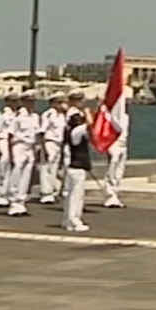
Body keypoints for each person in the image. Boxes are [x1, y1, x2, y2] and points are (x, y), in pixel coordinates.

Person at [5, 91, 39, 217]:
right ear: (23, 102)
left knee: (26, 176)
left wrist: (35, 149)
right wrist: (10, 153)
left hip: (30, 147)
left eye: (33, 101)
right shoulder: (18, 116)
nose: (31, 104)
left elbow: (36, 134)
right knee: (16, 174)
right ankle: (13, 203)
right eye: (29, 101)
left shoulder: (35, 117)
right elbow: (10, 134)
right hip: (19, 146)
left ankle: (21, 202)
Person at [62, 95, 93, 232]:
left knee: (70, 195)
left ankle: (68, 220)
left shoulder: (70, 130)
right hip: (77, 166)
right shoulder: (76, 131)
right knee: (76, 195)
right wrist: (88, 113)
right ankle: (74, 220)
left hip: (72, 165)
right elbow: (91, 124)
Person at [37, 92, 69, 203]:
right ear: (52, 103)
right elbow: (42, 132)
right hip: (49, 142)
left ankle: (53, 191)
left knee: (54, 168)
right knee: (46, 168)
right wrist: (43, 147)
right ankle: (45, 193)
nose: (61, 105)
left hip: (59, 144)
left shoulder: (62, 116)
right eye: (59, 102)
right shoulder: (48, 114)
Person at [0, 91, 17, 208]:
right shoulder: (1, 114)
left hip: (14, 141)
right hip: (3, 139)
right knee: (3, 164)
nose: (15, 103)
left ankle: (7, 192)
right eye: (12, 101)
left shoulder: (18, 114)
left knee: (12, 168)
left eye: (16, 100)